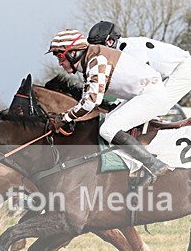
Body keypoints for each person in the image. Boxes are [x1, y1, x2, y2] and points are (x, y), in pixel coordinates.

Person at [49, 28, 175, 186]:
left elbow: (91, 101)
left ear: (73, 53)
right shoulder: (91, 59)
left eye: (60, 57)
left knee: (108, 130)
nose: (60, 63)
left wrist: (64, 118)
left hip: (149, 95)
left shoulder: (96, 60)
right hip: (141, 94)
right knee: (106, 126)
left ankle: (153, 164)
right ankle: (139, 167)